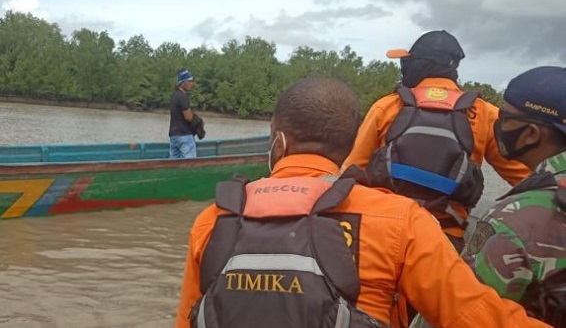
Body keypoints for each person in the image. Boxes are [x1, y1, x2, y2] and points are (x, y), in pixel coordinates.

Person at [174, 77, 550, 328]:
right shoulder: (400, 220)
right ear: (352, 140)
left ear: (278, 140)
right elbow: (472, 315)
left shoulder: (213, 219)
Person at [343, 30, 530, 250]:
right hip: (445, 239)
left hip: (384, 232)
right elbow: (526, 179)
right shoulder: (485, 113)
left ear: (420, 65)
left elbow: (351, 174)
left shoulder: (387, 106)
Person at [459, 66, 565, 326]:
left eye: (505, 116)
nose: (497, 123)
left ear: (531, 133)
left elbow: (458, 311)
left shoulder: (514, 220)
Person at [169, 68, 204, 159]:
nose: (191, 84)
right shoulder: (183, 96)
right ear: (183, 82)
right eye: (189, 81)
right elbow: (188, 117)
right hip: (184, 136)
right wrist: (198, 122)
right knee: (190, 166)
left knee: (174, 165)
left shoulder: (174, 95)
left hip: (173, 136)